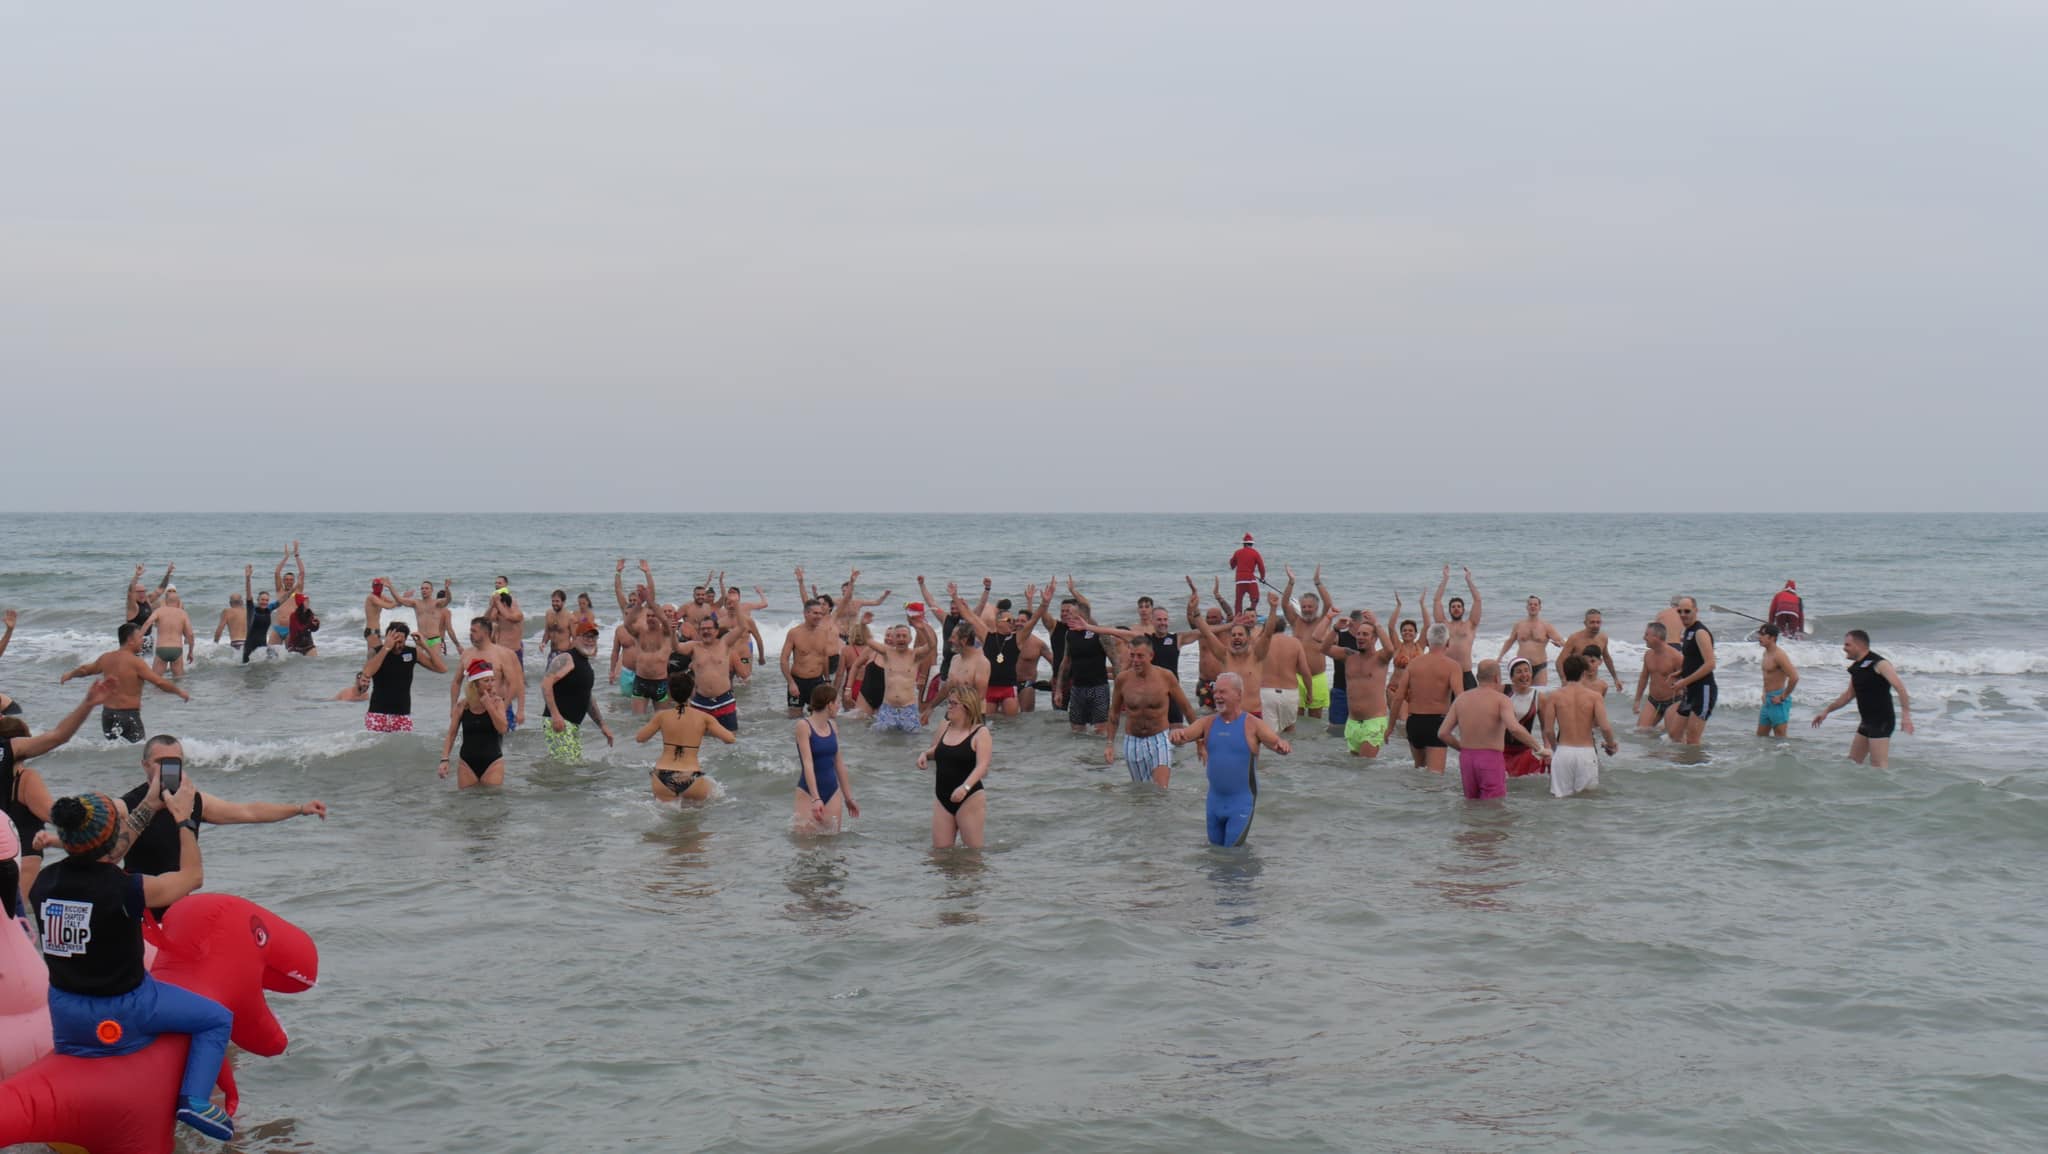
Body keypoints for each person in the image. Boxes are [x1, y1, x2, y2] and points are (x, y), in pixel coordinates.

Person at [32, 772, 237, 1141]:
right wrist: (184, 819)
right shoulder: (126, 888)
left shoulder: (42, 883)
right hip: (125, 1008)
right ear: (110, 839)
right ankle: (194, 1100)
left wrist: (150, 803)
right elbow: (192, 877)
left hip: (65, 1012)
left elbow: (105, 852)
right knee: (217, 1018)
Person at [115, 736, 328, 915]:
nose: (168, 768)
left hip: (179, 904)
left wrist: (299, 808)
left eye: (175, 761)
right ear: (145, 765)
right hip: (140, 903)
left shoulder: (195, 801)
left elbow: (249, 812)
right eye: (161, 761)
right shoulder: (129, 805)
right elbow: (103, 849)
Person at [3, 681, 114, 905]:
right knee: (17, 923)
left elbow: (58, 736)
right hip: (20, 861)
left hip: (10, 860)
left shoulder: (14, 766)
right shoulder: (25, 779)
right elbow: (57, 818)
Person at [1167, 672, 1290, 846]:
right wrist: (1176, 734)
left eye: (1222, 692)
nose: (1217, 696)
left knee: (1233, 853)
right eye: (1215, 692)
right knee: (1216, 854)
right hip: (1214, 801)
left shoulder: (1252, 724)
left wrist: (1282, 746)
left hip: (1241, 801)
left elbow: (1276, 742)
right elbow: (1184, 736)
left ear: (1238, 694)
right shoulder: (1207, 723)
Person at [60, 622, 191, 741]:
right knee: (137, 753)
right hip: (129, 716)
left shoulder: (106, 658)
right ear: (130, 640)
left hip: (108, 716)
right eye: (139, 638)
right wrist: (179, 691)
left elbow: (85, 670)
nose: (142, 641)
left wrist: (70, 674)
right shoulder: (136, 662)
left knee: (113, 753)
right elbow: (159, 682)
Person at [1439, 659, 1548, 801]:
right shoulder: (1501, 700)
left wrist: (1463, 749)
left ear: (1477, 677)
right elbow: (1514, 728)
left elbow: (1443, 733)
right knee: (1493, 807)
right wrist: (1539, 748)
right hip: (1491, 758)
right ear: (1497, 678)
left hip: (1466, 758)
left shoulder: (1461, 699)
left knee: (1471, 803)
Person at [1811, 630, 1914, 767]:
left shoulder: (1880, 664)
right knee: (1853, 762)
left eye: (1847, 645)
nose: (1844, 648)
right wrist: (1826, 711)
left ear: (1859, 646)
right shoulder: (1856, 667)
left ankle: (1884, 788)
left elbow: (1900, 688)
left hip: (1882, 721)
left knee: (1878, 765)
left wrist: (1906, 717)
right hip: (1866, 721)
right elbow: (1848, 695)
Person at [1103, 635, 1196, 786]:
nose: (1135, 660)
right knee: (1141, 792)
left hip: (1159, 739)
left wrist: (1200, 741)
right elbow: (1114, 713)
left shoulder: (1166, 677)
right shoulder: (1122, 679)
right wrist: (1109, 744)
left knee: (1160, 790)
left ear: (1151, 656)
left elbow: (1187, 708)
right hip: (1132, 741)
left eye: (1140, 656)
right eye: (1132, 655)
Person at [636, 670, 736, 801]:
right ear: (692, 692)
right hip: (690, 775)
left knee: (666, 819)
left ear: (670, 693)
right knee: (696, 816)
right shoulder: (704, 718)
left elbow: (640, 738)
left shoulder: (661, 716)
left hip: (662, 776)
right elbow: (730, 739)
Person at [919, 685, 992, 848]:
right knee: (940, 855)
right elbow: (939, 750)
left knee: (972, 857)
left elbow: (982, 765)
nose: (949, 707)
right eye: (948, 703)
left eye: (953, 704)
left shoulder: (980, 733)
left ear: (967, 706)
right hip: (942, 797)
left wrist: (964, 788)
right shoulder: (947, 727)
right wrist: (925, 754)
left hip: (969, 797)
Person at [1325, 609, 1398, 758]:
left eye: (1365, 634)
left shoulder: (1380, 659)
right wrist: (1335, 629)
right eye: (1359, 634)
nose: (1360, 637)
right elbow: (1324, 648)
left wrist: (1376, 624)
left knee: (1365, 766)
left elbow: (1390, 649)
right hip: (1352, 723)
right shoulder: (1349, 656)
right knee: (1355, 769)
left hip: (1374, 722)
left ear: (1374, 639)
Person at [541, 618, 617, 761]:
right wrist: (556, 715)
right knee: (568, 766)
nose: (590, 640)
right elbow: (546, 684)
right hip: (559, 722)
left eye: (593, 637)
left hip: (572, 725)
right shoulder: (567, 658)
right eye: (586, 636)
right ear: (576, 638)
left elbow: (586, 698)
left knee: (572, 766)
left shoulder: (586, 666)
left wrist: (602, 725)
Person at [1545, 655, 1618, 797]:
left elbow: (1548, 730)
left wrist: (1556, 749)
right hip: (1586, 752)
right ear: (1584, 673)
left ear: (1564, 673)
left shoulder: (1554, 696)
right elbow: (1605, 727)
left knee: (1561, 800)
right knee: (1586, 802)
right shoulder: (1594, 696)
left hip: (1563, 752)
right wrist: (1611, 745)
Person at [1396, 624, 1463, 772]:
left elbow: (1398, 696)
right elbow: (1460, 698)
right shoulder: (1452, 666)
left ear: (1427, 642)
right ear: (1448, 642)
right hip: (1436, 723)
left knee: (1419, 771)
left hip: (1413, 723)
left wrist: (1389, 727)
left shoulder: (1413, 664)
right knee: (1434, 778)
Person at [793, 684, 859, 834]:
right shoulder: (803, 726)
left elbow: (838, 763)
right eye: (837, 703)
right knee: (805, 848)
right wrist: (816, 798)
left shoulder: (833, 726)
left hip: (832, 792)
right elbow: (808, 763)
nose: (839, 707)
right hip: (808, 792)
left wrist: (849, 798)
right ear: (829, 704)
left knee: (832, 847)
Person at [360, 621, 449, 731]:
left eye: (401, 642)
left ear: (406, 639)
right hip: (377, 713)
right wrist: (386, 648)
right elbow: (367, 672)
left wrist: (425, 645)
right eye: (394, 641)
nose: (397, 645)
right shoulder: (376, 651)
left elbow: (442, 669)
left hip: (402, 714)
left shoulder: (412, 653)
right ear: (388, 638)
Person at [439, 660, 509, 788]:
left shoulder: (497, 703)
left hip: (493, 762)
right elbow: (451, 734)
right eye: (486, 681)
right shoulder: (462, 706)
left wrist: (489, 707)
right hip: (466, 763)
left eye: (492, 680)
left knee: (492, 801)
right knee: (466, 803)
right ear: (475, 685)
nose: (491, 684)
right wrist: (444, 760)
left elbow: (503, 728)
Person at [676, 613, 749, 734]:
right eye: (703, 629)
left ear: (716, 631)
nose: (706, 631)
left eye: (709, 629)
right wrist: (670, 630)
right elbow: (677, 648)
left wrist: (736, 605)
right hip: (700, 701)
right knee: (699, 739)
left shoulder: (725, 645)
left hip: (724, 700)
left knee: (730, 738)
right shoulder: (694, 647)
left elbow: (742, 627)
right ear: (699, 632)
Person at [863, 621, 936, 733]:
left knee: (911, 742)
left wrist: (922, 628)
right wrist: (863, 625)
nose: (901, 638)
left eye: (904, 636)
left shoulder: (914, 655)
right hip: (888, 708)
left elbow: (932, 645)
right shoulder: (887, 653)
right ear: (894, 639)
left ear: (910, 639)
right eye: (898, 636)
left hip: (908, 709)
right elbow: (868, 640)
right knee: (880, 741)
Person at [1670, 597, 1717, 744]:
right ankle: (1684, 763)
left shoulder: (1700, 632)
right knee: (1674, 734)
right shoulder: (1688, 631)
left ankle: (1697, 764)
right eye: (1680, 611)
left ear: (1696, 611)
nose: (1683, 614)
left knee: (1692, 739)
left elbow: (1710, 664)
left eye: (1687, 611)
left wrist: (1684, 681)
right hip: (1691, 690)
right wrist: (1681, 672)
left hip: (1704, 689)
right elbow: (1694, 659)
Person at [782, 597, 840, 718]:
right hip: (798, 681)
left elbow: (824, 656)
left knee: (819, 716)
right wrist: (791, 683)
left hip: (817, 682)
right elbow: (784, 659)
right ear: (806, 613)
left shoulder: (824, 632)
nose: (819, 616)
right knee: (794, 717)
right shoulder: (794, 633)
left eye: (820, 613)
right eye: (815, 613)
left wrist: (828, 680)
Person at [1498, 595, 1568, 685]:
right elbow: (1510, 641)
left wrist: (1559, 643)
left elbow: (1562, 641)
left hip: (1539, 667)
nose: (1533, 606)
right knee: (1521, 696)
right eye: (1530, 604)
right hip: (1521, 667)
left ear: (1539, 608)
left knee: (1539, 694)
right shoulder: (1519, 625)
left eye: (1535, 604)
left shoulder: (1546, 626)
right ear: (1527, 607)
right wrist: (1500, 657)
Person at [1434, 565, 1483, 689]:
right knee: (1446, 708)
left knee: (1469, 708)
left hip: (1466, 673)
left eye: (1459, 606)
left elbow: (1477, 600)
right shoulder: (1443, 625)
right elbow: (1437, 601)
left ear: (1463, 610)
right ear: (1449, 610)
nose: (1456, 609)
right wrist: (1445, 579)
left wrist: (1468, 580)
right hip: (1446, 673)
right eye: (1453, 607)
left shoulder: (1470, 625)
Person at [1502, 657, 1550, 778]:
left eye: (1526, 670)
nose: (1524, 675)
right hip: (1500, 750)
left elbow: (1546, 728)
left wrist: (1548, 751)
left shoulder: (1539, 697)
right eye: (1519, 672)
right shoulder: (1503, 691)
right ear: (1511, 677)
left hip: (1523, 751)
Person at [1558, 610, 1625, 695]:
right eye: (1592, 622)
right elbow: (1560, 661)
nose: (1595, 625)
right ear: (1585, 623)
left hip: (1594, 682)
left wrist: (1615, 679)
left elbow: (1607, 658)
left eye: (1598, 622)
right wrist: (1564, 680)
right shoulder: (1575, 638)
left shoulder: (1603, 638)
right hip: (1577, 682)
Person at [1634, 621, 1683, 733]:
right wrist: (1637, 700)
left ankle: (1667, 726)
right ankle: (1662, 729)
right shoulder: (1648, 655)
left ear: (1657, 637)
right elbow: (1643, 678)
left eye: (1647, 635)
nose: (1643, 637)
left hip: (1673, 701)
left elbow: (1688, 679)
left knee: (1672, 739)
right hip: (1653, 701)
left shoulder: (1676, 656)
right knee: (1640, 732)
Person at [1756, 623, 1800, 738]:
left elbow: (1794, 677)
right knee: (1761, 737)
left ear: (1772, 638)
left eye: (1762, 635)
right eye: (1759, 634)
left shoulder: (1779, 655)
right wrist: (1764, 692)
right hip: (1767, 701)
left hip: (1778, 701)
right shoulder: (1765, 653)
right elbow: (1767, 677)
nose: (1759, 637)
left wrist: (1783, 696)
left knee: (1780, 740)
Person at [139, 588, 196, 678]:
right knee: (179, 680)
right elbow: (190, 635)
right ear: (178, 602)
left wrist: (139, 638)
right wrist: (190, 652)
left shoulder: (159, 611)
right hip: (177, 649)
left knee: (155, 680)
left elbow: (147, 623)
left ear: (165, 601)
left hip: (162, 648)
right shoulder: (183, 613)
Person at [239, 565, 275, 663]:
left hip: (262, 646)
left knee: (272, 663)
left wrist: (294, 590)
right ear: (258, 600)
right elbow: (248, 594)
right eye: (262, 600)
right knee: (246, 671)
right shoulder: (252, 609)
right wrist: (247, 578)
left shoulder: (268, 610)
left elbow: (282, 600)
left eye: (267, 600)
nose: (264, 602)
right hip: (250, 646)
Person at [1228, 534, 1266, 616]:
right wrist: (1262, 578)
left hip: (1239, 580)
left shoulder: (1237, 552)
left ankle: (1238, 616)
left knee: (1238, 600)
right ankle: (1251, 614)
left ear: (1244, 544)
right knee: (1255, 598)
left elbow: (1232, 565)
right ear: (1251, 544)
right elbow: (1261, 567)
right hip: (1250, 579)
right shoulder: (1255, 553)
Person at [363, 579, 400, 651]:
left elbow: (396, 604)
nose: (378, 587)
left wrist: (390, 587)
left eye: (379, 586)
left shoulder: (382, 596)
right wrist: (401, 600)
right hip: (371, 631)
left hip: (377, 631)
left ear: (382, 587)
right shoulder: (371, 597)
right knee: (376, 655)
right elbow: (388, 606)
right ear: (372, 586)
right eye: (376, 586)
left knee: (375, 655)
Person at [212, 588, 247, 655]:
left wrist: (215, 643)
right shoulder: (248, 611)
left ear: (230, 603)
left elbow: (220, 628)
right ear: (242, 602)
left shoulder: (227, 612)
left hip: (236, 643)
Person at [284, 592, 320, 657]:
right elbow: (299, 630)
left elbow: (313, 629)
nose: (308, 602)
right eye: (306, 601)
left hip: (308, 644)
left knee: (315, 662)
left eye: (308, 600)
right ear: (301, 603)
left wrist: (316, 624)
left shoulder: (310, 613)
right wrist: (309, 624)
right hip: (295, 646)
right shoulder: (293, 616)